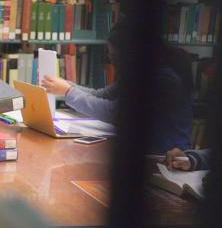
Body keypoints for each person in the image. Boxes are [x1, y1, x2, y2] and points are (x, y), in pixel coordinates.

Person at [41, 21, 193, 154]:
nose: (112, 61)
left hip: (164, 157)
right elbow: (104, 95)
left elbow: (114, 111)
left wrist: (68, 92)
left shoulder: (161, 81)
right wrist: (67, 85)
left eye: (114, 56)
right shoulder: (137, 72)